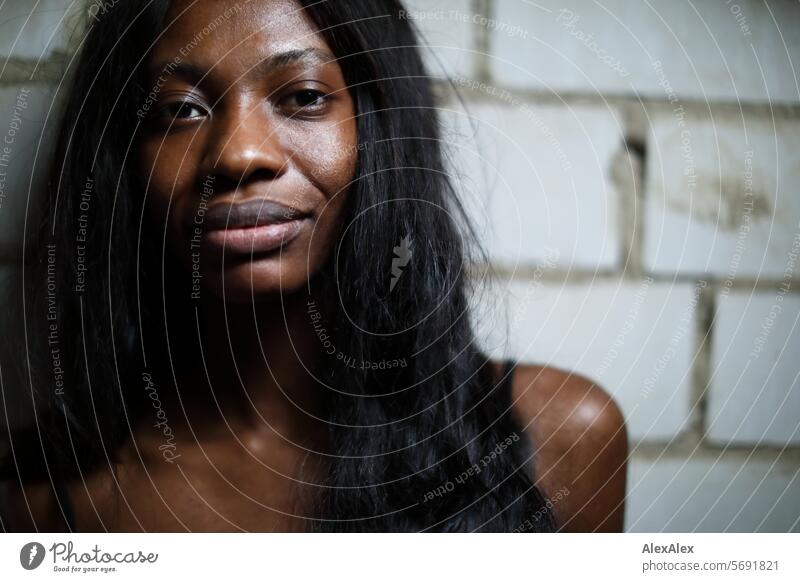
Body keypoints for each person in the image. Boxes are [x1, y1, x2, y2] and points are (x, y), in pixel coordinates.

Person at [0, 0, 627, 532]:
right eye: (180, 110)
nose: (240, 153)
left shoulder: (562, 439)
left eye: (303, 97)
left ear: (379, 130)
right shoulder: (46, 499)